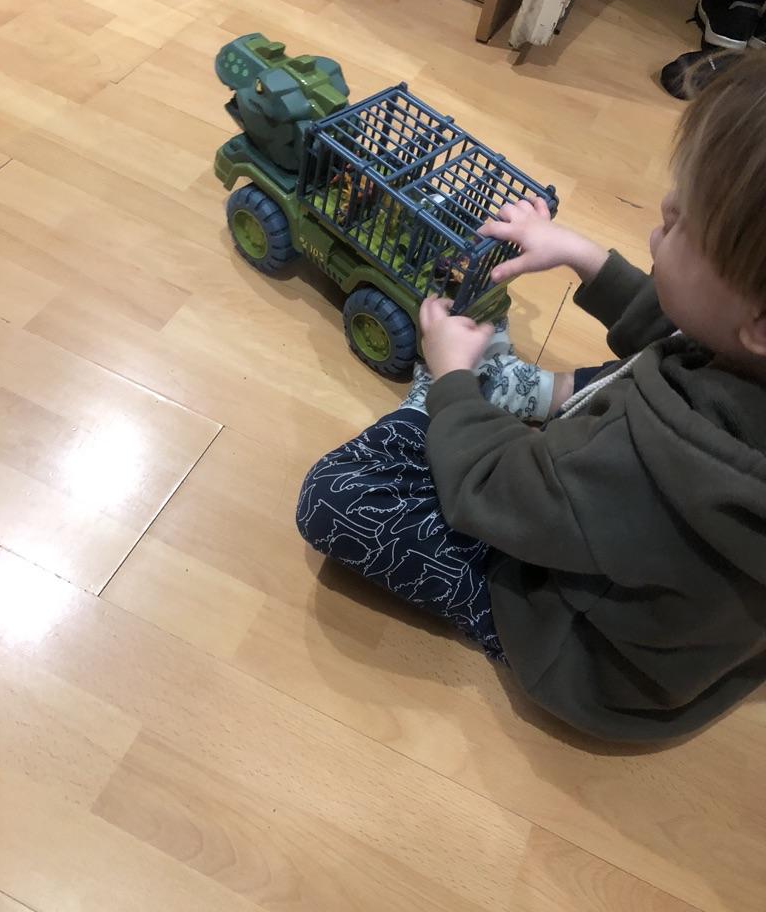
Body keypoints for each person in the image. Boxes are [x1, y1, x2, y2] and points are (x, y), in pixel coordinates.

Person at [296, 53, 766, 743]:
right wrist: (581, 254)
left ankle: (462, 396)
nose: (667, 207)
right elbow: (687, 334)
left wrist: (451, 385)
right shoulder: (742, 368)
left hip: (587, 657)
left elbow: (496, 491)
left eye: (689, 221)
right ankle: (540, 392)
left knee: (334, 500)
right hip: (678, 635)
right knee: (667, 361)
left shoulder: (651, 454)